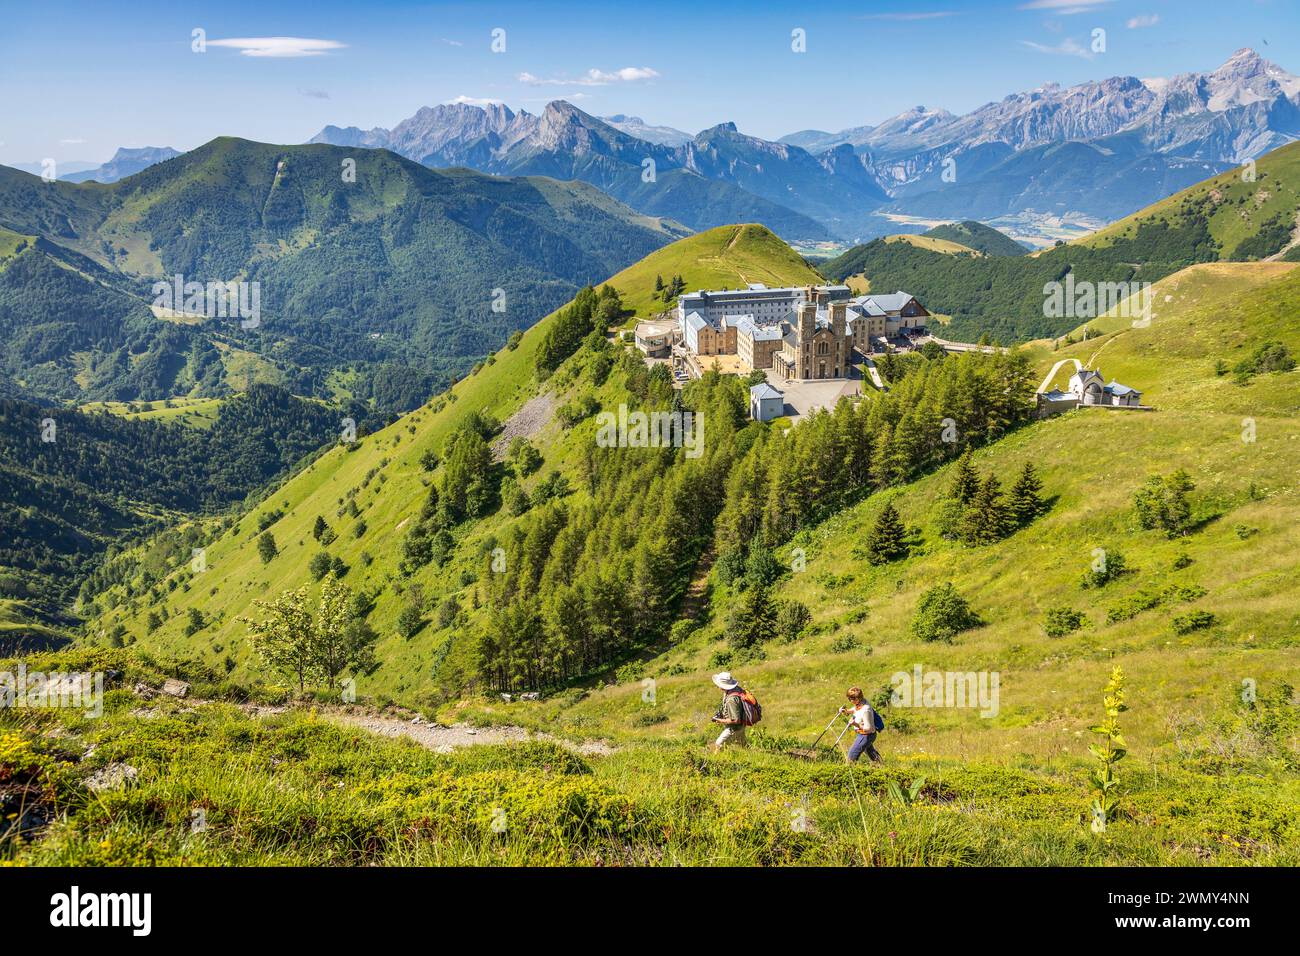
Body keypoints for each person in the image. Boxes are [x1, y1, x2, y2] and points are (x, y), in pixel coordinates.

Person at [840, 686, 882, 763]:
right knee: (871, 753)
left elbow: (868, 728)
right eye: (849, 698)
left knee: (851, 755)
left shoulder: (866, 710)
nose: (850, 701)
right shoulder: (861, 703)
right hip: (864, 734)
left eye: (851, 699)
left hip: (866, 735)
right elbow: (855, 709)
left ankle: (849, 771)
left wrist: (855, 724)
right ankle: (882, 767)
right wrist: (846, 711)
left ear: (858, 698)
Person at [709, 671, 748, 750]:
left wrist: (719, 720)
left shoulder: (731, 700)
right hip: (741, 726)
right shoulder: (736, 689)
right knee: (743, 747)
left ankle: (718, 761)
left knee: (718, 744)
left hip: (734, 728)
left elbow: (735, 720)